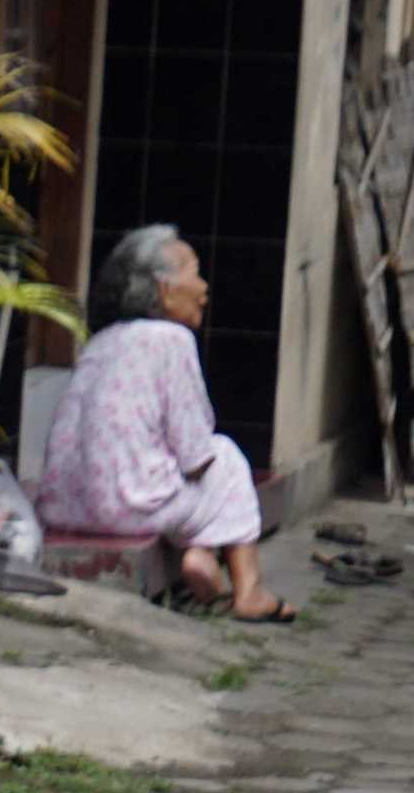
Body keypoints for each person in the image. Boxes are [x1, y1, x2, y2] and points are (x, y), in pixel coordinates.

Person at [32, 222, 297, 621]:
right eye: (195, 272)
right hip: (126, 507)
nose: (205, 287)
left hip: (66, 505)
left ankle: (202, 553)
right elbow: (194, 452)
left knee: (179, 476)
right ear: (164, 288)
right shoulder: (172, 341)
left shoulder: (102, 340)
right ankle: (248, 590)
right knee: (225, 458)